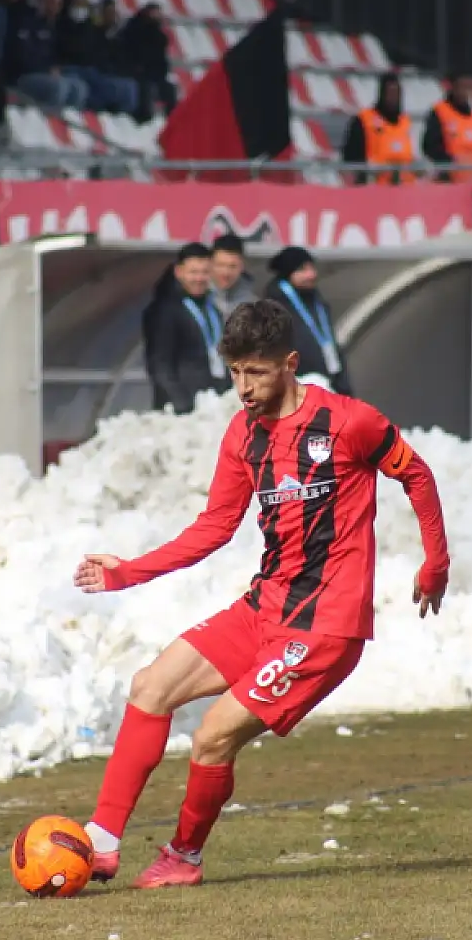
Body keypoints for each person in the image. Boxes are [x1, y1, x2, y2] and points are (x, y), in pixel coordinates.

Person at [73, 299, 451, 888]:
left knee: (213, 735)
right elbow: (214, 526)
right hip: (265, 607)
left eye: (256, 372)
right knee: (151, 687)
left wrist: (436, 563)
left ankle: (184, 857)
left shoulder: (351, 422)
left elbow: (416, 473)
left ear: (290, 364)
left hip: (325, 628)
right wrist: (130, 570)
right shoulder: (242, 434)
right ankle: (100, 842)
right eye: (234, 373)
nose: (243, 388)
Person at [144, 242, 227, 415]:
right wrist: (181, 403)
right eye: (193, 272)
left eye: (205, 272)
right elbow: (160, 363)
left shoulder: (214, 309)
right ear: (179, 272)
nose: (199, 278)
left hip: (213, 402)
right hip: (182, 408)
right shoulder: (164, 310)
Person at [265, 246, 351, 396]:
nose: (311, 274)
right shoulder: (274, 308)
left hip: (330, 383)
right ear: (289, 274)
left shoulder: (317, 301)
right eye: (303, 270)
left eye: (311, 268)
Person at [342, 72, 414, 186]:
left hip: (404, 188)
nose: (393, 98)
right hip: (375, 189)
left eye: (396, 93)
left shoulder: (405, 122)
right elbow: (350, 158)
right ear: (382, 94)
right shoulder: (363, 120)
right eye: (390, 93)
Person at [422, 75, 472, 188]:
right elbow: (429, 145)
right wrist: (449, 164)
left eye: (468, 87)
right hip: (451, 184)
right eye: (461, 87)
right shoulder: (440, 111)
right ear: (453, 88)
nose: (465, 92)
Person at [208, 233, 254, 316]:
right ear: (210, 263)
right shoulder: (196, 301)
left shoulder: (253, 306)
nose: (226, 273)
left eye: (232, 266)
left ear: (242, 266)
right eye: (220, 265)